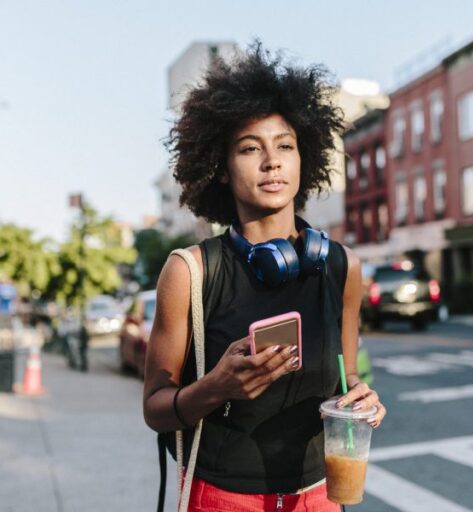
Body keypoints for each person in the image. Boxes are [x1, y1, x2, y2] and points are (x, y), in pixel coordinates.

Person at [143, 44, 386, 511]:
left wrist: (360, 399)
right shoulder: (190, 272)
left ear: (304, 157)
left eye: (285, 146)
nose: (272, 161)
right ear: (220, 167)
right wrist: (216, 387)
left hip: (318, 497)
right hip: (221, 498)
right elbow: (155, 408)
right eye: (250, 148)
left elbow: (347, 376)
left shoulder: (342, 266)